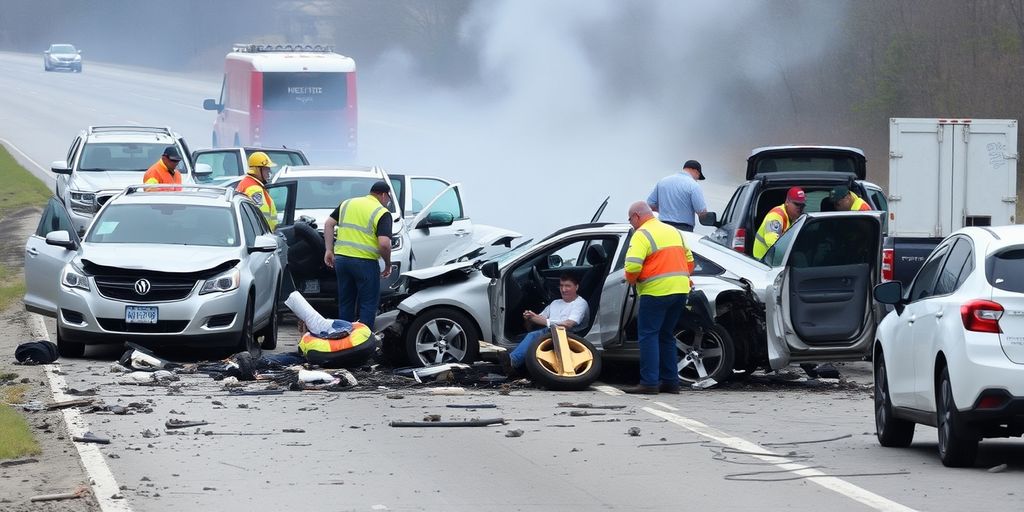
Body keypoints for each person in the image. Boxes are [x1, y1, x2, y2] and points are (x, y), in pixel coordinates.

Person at [620, 201, 694, 395]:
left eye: (630, 220)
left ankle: (649, 383)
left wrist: (632, 280)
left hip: (655, 292)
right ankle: (671, 382)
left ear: (636, 216)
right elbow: (690, 262)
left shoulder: (642, 234)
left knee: (648, 335)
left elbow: (633, 267)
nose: (631, 224)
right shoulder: (673, 231)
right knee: (666, 335)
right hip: (680, 290)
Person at [323, 180, 393, 329]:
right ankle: (363, 342)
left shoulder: (348, 203)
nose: (388, 202)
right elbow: (384, 243)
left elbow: (328, 223)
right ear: (383, 195)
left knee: (346, 302)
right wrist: (388, 263)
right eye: (388, 198)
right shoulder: (381, 212)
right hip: (365, 263)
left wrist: (329, 250)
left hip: (342, 261)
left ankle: (344, 339)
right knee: (368, 304)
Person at [498, 273, 589, 375]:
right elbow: (539, 318)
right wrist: (529, 317)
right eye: (561, 286)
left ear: (576, 287)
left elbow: (568, 324)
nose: (563, 289)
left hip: (569, 335)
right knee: (519, 337)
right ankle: (509, 363)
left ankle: (513, 362)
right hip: (550, 332)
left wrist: (545, 322)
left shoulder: (580, 303)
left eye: (567, 286)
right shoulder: (555, 303)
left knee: (533, 335)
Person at [646, 159, 707, 231]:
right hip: (683, 229)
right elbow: (701, 212)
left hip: (662, 226)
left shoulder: (663, 181)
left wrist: (663, 211)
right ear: (697, 172)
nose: (697, 179)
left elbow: (650, 204)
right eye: (698, 177)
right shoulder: (693, 185)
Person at [752, 187, 805, 260]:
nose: (800, 208)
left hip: (772, 260)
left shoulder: (794, 218)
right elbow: (772, 241)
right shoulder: (776, 216)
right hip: (761, 261)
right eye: (796, 204)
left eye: (802, 206)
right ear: (787, 202)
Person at [236, 151, 278, 230]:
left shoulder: (248, 183)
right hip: (264, 234)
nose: (269, 172)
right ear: (257, 170)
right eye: (266, 169)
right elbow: (262, 215)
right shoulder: (254, 189)